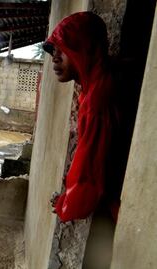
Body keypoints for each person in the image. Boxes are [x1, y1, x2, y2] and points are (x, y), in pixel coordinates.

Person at [43, 12, 124, 222]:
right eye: (54, 50)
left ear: (85, 50)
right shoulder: (94, 87)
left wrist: (64, 205)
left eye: (65, 49)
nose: (55, 58)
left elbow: (87, 180)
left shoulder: (96, 101)